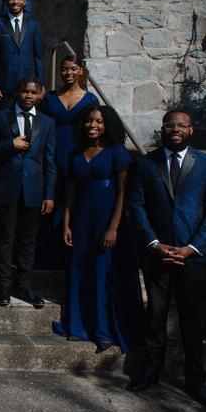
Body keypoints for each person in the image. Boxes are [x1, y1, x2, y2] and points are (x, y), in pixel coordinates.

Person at [127, 110, 206, 405]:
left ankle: (196, 380)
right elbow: (137, 206)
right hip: (157, 254)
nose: (175, 129)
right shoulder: (146, 163)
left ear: (191, 130)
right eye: (170, 125)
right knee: (156, 317)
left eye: (181, 125)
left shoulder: (205, 163)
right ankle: (151, 372)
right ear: (162, 128)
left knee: (193, 322)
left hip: (194, 257)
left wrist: (191, 248)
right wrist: (155, 243)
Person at [52, 104, 142, 352]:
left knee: (103, 273)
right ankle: (79, 326)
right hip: (81, 218)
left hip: (107, 219)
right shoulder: (75, 153)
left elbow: (124, 192)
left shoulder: (117, 152)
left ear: (108, 125)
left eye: (99, 121)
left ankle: (104, 330)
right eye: (89, 121)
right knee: (79, 271)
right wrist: (67, 223)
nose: (93, 125)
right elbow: (70, 191)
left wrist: (113, 228)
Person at [0, 76, 56, 308]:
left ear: (40, 95)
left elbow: (50, 161)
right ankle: (2, 286)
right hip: (7, 187)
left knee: (28, 240)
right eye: (25, 91)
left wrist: (50, 194)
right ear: (17, 92)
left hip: (34, 188)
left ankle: (24, 285)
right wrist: (9, 145)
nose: (28, 96)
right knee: (5, 238)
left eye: (33, 92)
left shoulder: (47, 123)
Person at [38, 55, 99, 267]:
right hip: (52, 153)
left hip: (77, 154)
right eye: (64, 69)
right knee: (50, 200)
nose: (68, 73)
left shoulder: (90, 99)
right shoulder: (49, 98)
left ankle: (71, 254)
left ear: (81, 71)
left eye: (73, 69)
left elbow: (96, 129)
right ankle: (47, 255)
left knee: (74, 202)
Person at [0, 0, 44, 111]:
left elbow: (38, 56)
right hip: (4, 86)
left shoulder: (33, 26)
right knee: (3, 122)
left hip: (28, 85)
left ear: (25, 1)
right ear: (6, 2)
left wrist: (41, 83)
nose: (16, 2)